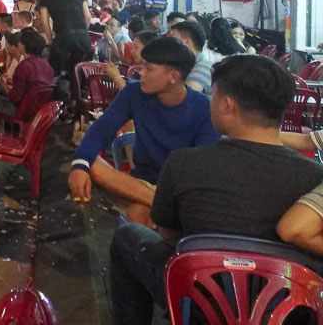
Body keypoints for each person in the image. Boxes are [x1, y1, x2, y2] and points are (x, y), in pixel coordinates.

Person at [109, 55, 323, 325]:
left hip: (199, 305)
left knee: (127, 236)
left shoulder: (183, 163)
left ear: (226, 104)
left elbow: (170, 234)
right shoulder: (315, 177)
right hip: (286, 311)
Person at [68, 37, 219, 225]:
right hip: (140, 184)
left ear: (173, 76)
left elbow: (202, 168)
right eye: (142, 66)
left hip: (179, 190)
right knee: (90, 163)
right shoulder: (133, 93)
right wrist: (80, 166)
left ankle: (158, 206)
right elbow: (101, 129)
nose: (141, 73)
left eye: (149, 69)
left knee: (139, 213)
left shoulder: (204, 109)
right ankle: (159, 204)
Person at [37, 0, 93, 96]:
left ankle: (58, 104)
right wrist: (82, 31)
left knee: (53, 71)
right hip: (83, 40)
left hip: (63, 38)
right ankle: (75, 104)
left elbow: (45, 23)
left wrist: (52, 41)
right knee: (75, 70)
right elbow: (88, 17)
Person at [0, 28, 53, 117]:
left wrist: (4, 85)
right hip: (41, 107)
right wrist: (11, 81)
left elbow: (15, 97)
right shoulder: (46, 64)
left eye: (20, 42)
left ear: (23, 46)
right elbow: (33, 84)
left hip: (24, 109)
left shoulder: (24, 66)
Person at [169, 20, 216, 94]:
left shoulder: (205, 66)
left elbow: (185, 96)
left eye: (172, 39)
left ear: (186, 42)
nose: (168, 43)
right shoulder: (184, 65)